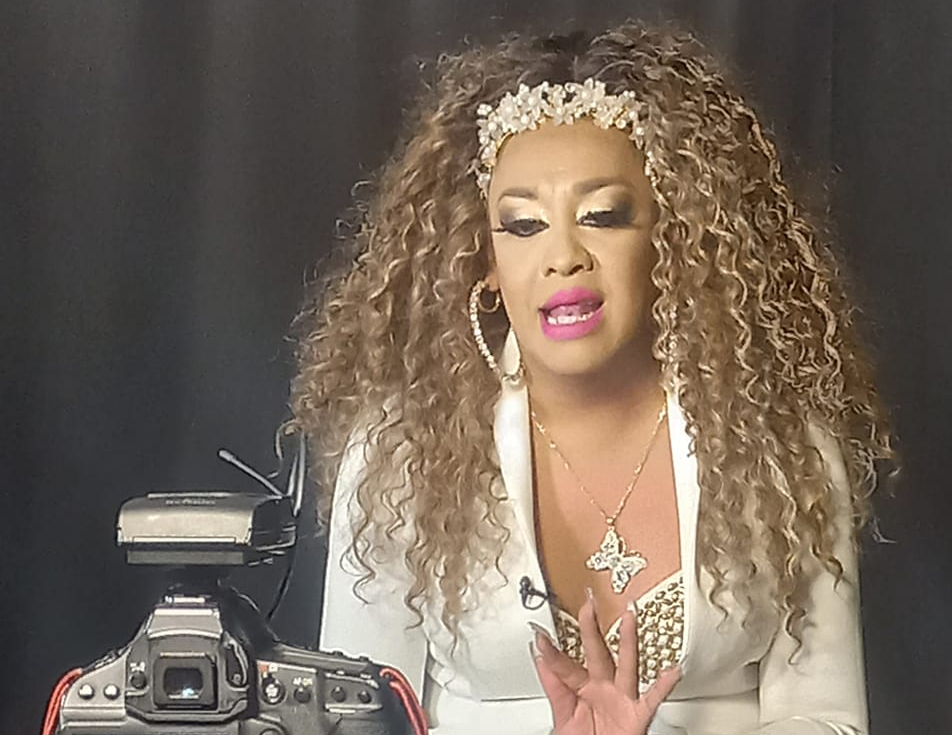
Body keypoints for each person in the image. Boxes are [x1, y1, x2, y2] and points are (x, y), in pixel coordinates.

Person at [288, 20, 895, 735]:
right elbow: (349, 720)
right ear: (485, 261)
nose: (564, 256)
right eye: (523, 225)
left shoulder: (784, 449)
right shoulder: (401, 457)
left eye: (603, 216)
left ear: (670, 238)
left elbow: (828, 719)